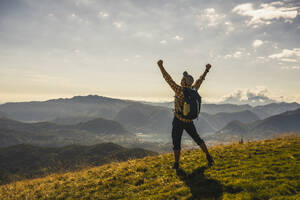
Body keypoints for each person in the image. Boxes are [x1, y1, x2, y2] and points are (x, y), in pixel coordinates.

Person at [157, 59, 214, 169]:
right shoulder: (194, 89)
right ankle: (208, 156)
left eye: (183, 78)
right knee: (197, 138)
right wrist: (206, 70)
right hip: (189, 121)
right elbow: (200, 80)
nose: (181, 79)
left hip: (178, 120)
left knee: (176, 142)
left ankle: (176, 164)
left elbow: (167, 78)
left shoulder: (179, 90)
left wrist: (161, 66)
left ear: (184, 82)